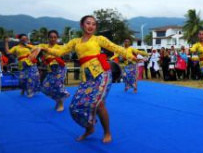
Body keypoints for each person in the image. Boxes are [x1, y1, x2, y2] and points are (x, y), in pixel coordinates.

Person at [31, 15, 133, 143]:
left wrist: (132, 56)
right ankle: (89, 128)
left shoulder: (98, 39)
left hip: (102, 73)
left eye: (94, 24)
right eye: (88, 23)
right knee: (75, 107)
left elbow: (116, 48)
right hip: (87, 77)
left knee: (99, 105)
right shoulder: (75, 42)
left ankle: (107, 132)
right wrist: (43, 48)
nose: (91, 26)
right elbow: (60, 52)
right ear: (82, 25)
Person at [37, 30, 70, 111]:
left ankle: (61, 103)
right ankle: (58, 99)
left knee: (57, 86)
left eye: (55, 37)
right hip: (50, 70)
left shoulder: (60, 47)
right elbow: (34, 48)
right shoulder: (43, 45)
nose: (53, 39)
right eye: (51, 37)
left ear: (57, 38)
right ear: (48, 38)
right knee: (45, 88)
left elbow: (65, 52)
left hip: (60, 68)